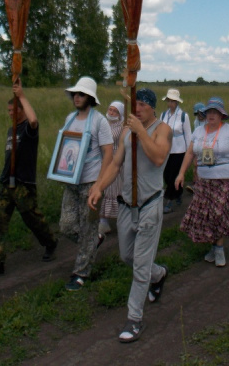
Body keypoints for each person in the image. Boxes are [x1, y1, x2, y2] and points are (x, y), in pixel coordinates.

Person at [88, 88, 172, 343]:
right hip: (126, 204)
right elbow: (115, 164)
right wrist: (99, 186)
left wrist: (140, 131)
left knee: (141, 264)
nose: (138, 109)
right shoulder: (126, 130)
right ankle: (158, 275)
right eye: (135, 105)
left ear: (152, 107)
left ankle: (134, 320)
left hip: (150, 204)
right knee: (127, 256)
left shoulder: (162, 130)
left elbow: (158, 157)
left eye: (143, 105)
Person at [0, 79, 57, 282]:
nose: (11, 114)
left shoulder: (28, 131)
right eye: (9, 111)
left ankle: (50, 242)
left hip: (23, 184)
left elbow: (34, 120)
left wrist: (21, 95)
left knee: (32, 218)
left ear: (21, 110)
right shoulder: (9, 131)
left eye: (15, 110)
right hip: (5, 183)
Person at [175, 97, 229, 267]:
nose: (211, 115)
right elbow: (189, 154)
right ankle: (214, 245)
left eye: (215, 112)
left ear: (221, 115)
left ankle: (218, 249)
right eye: (209, 112)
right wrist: (181, 173)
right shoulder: (198, 132)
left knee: (218, 213)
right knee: (207, 216)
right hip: (204, 180)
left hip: (226, 179)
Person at [58, 77, 114, 291]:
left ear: (90, 97)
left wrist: (99, 185)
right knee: (66, 226)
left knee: (88, 226)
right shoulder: (70, 118)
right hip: (71, 181)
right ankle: (94, 240)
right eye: (75, 94)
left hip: (91, 182)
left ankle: (80, 274)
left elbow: (108, 154)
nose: (76, 98)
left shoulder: (100, 121)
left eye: (81, 94)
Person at [160, 89, 191, 213]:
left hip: (179, 150)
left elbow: (188, 135)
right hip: (166, 150)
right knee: (166, 175)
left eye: (173, 101)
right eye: (169, 100)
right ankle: (178, 193)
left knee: (173, 175)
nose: (171, 103)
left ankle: (169, 200)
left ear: (177, 102)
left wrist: (190, 153)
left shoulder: (184, 116)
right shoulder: (163, 115)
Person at [99, 101, 125, 236]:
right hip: (103, 158)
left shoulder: (122, 126)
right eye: (110, 110)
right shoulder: (103, 123)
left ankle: (119, 219)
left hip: (116, 158)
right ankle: (103, 221)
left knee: (114, 188)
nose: (111, 113)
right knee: (103, 187)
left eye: (115, 111)